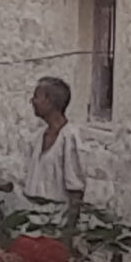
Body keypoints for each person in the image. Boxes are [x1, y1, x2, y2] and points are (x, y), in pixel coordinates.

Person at [17, 76, 87, 230]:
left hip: (55, 226)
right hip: (33, 223)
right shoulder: (39, 137)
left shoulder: (69, 137)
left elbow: (76, 191)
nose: (32, 101)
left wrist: (68, 234)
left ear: (49, 101)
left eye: (36, 97)